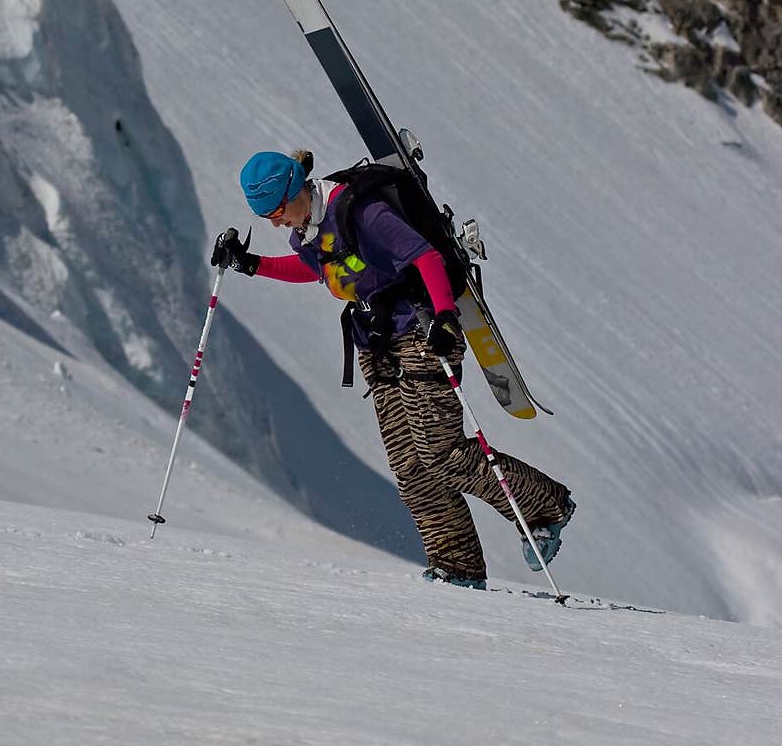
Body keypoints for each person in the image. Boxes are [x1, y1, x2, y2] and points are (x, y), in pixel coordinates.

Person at [212, 149, 575, 589]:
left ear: (293, 192)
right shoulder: (307, 232)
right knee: (410, 466)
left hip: (422, 333)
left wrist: (443, 316)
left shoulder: (359, 210)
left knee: (441, 454)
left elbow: (423, 256)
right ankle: (456, 567)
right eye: (265, 216)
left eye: (275, 211)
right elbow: (315, 271)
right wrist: (252, 265)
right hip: (376, 343)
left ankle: (545, 507)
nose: (274, 223)